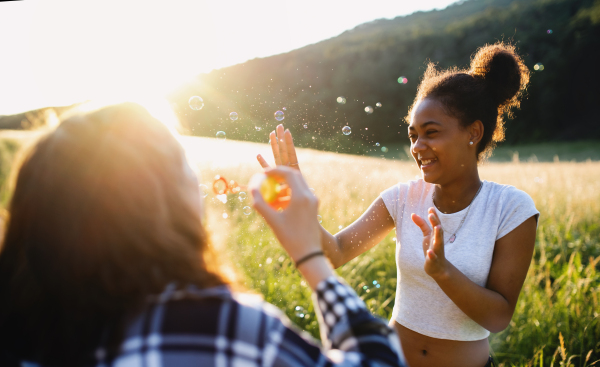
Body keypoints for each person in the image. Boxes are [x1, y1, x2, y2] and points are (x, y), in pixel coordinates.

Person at [0, 102, 405, 367]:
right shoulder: (219, 326)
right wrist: (308, 253)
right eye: (187, 173)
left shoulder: (20, 330)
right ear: (166, 205)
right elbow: (378, 360)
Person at [257, 42, 539, 367]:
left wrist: (443, 272)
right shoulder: (402, 198)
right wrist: (297, 200)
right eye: (412, 136)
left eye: (431, 133)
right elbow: (335, 252)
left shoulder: (511, 209)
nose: (418, 147)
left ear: (473, 132)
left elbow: (498, 317)